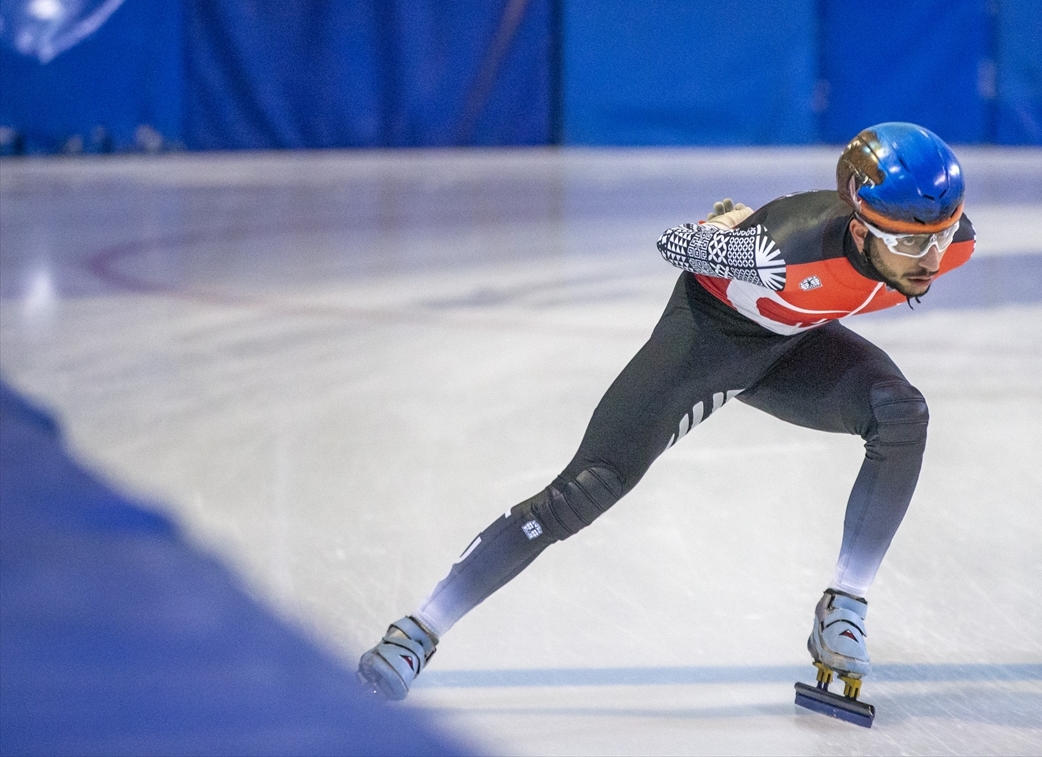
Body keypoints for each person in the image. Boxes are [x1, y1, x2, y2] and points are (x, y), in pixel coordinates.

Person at [358, 122, 975, 703]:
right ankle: (418, 631)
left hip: (793, 343)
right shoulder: (785, 253)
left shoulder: (951, 245)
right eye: (912, 242)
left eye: (942, 235)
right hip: (709, 340)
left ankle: (844, 608)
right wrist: (724, 243)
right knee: (584, 489)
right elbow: (671, 242)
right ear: (862, 229)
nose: (930, 257)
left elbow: (919, 248)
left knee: (901, 415)